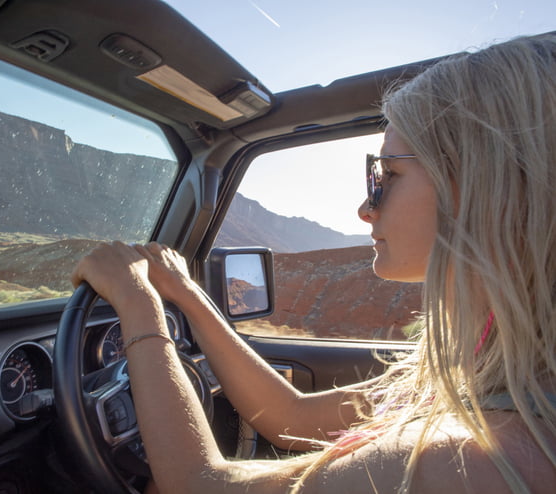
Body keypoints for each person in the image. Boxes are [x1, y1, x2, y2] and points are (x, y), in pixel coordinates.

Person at [71, 34, 556, 493]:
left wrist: (139, 306)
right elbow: (291, 416)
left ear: (484, 187)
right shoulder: (484, 371)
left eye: (387, 174)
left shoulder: (472, 458)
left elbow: (198, 485)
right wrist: (187, 294)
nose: (365, 209)